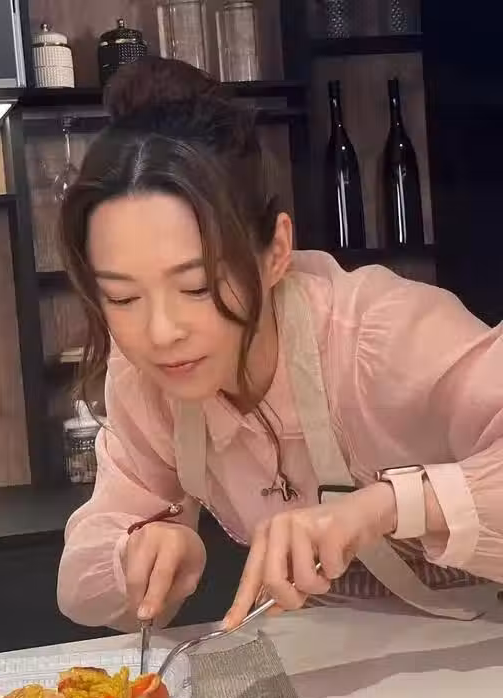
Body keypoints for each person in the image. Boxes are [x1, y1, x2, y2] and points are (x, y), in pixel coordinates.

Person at [56, 55, 503, 634]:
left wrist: (387, 506)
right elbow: (80, 581)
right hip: (335, 655)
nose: (161, 332)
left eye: (197, 286)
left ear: (276, 252)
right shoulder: (145, 380)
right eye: (122, 297)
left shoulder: (379, 333)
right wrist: (136, 552)